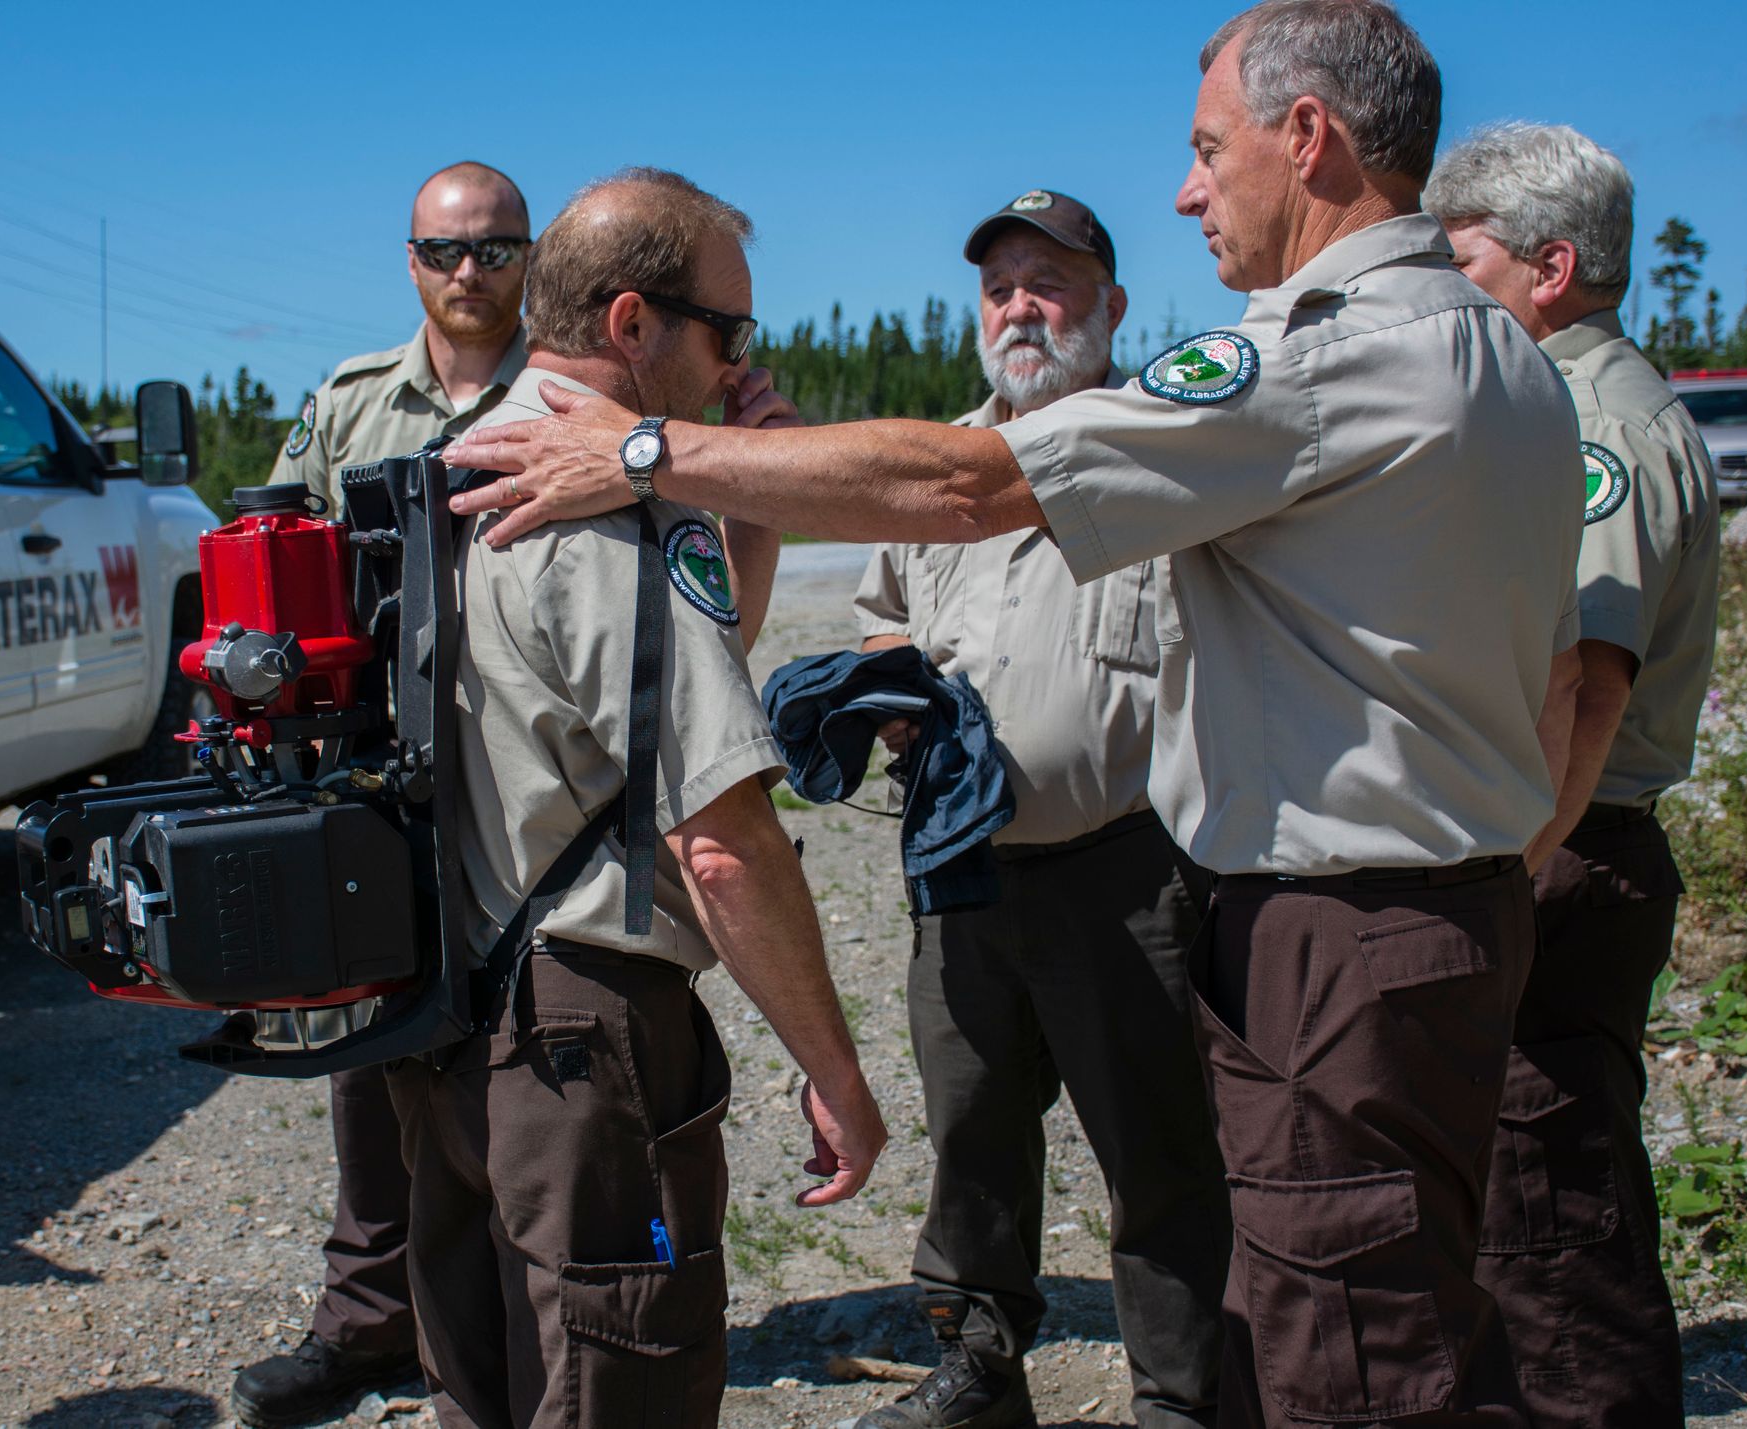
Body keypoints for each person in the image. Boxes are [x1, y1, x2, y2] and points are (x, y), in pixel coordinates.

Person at [442, 4, 1589, 1424]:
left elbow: (970, 487)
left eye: (1206, 149)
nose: (1190, 188)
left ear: (1312, 138)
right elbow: (1553, 682)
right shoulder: (1512, 360)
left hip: (1315, 928)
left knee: (1348, 1348)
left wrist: (644, 447)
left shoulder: (1311, 363)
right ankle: (993, 1351)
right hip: (1434, 909)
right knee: (1398, 1304)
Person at [387, 165, 885, 1428]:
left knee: (489, 1381)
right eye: (728, 331)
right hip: (581, 1035)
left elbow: (665, 682)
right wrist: (833, 1068)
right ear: (630, 323)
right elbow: (717, 838)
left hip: (450, 1017)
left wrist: (744, 494)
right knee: (620, 1380)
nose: (737, 364)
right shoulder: (605, 515)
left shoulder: (461, 463)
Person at [851, 190, 1227, 1429]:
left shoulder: (1162, 449)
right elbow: (881, 607)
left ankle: (1181, 1392)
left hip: (1129, 872)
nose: (1022, 304)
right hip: (959, 870)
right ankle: (978, 1365)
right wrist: (885, 686)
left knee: (1159, 1153)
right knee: (970, 1138)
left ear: (1111, 306)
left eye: (1051, 281)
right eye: (1000, 284)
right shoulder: (930, 463)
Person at [1425, 122, 1719, 1429]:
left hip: (1564, 841)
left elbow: (1587, 683)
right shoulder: (1572, 402)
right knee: (1524, 1190)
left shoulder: (1591, 426)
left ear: (1549, 266)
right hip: (1562, 835)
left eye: (1462, 256)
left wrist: (1506, 877)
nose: (1442, 284)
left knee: (1549, 1210)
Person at [235, 158, 535, 1428]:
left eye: (494, 249)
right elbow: (275, 553)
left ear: (530, 258)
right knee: (368, 1047)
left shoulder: (573, 392)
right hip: (378, 773)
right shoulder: (353, 401)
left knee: (527, 1056)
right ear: (408, 260)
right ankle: (368, 1326)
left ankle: (522, 1325)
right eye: (444, 250)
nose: (469, 272)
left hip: (528, 777)